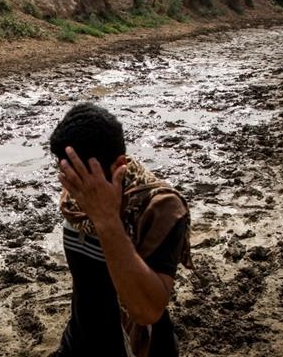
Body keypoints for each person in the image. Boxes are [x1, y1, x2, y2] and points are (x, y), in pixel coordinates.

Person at [49, 102, 192, 357]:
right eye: (66, 174)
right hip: (78, 344)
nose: (73, 187)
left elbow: (147, 310)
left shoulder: (160, 208)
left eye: (81, 178)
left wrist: (107, 220)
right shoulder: (77, 192)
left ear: (118, 166)